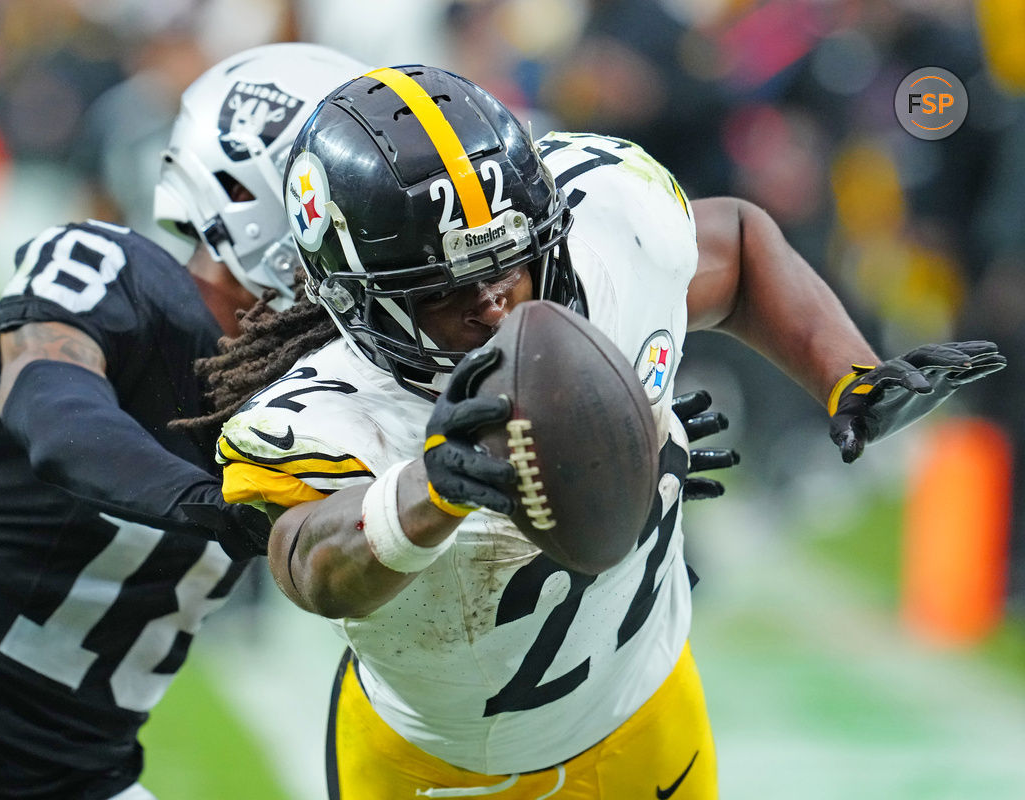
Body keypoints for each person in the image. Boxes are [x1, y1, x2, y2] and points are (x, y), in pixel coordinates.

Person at [193, 65, 1006, 798]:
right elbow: (307, 565)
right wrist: (428, 490)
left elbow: (739, 242)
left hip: (646, 711)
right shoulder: (330, 412)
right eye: (445, 291)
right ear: (356, 300)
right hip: (435, 772)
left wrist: (845, 373)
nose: (494, 306)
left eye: (506, 265)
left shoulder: (608, 234)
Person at [0, 43, 369, 800]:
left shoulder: (327, 385)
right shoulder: (112, 273)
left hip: (81, 771)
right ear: (264, 206)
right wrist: (223, 507)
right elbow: (52, 407)